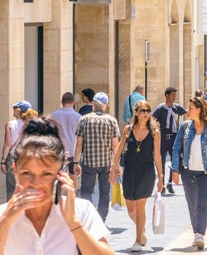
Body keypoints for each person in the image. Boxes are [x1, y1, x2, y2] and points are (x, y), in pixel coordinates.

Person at [0, 117, 113, 254]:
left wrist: (73, 223)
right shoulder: (3, 215)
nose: (36, 183)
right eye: (27, 173)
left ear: (60, 173)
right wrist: (5, 222)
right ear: (15, 170)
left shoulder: (81, 210)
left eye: (46, 174)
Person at [171, 96, 207, 250]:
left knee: (202, 204)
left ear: (199, 110)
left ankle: (200, 234)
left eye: (190, 108)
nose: (187, 110)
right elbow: (176, 150)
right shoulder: (184, 127)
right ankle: (196, 231)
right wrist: (174, 170)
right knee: (192, 205)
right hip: (188, 172)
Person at [111, 100, 163, 252]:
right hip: (130, 170)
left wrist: (160, 177)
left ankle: (137, 241)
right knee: (130, 208)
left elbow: (158, 156)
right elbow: (119, 150)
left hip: (146, 171)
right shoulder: (128, 129)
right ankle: (142, 229)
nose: (146, 114)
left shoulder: (155, 132)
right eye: (142, 110)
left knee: (140, 205)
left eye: (148, 110)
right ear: (136, 112)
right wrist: (113, 168)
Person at [73, 92, 120, 222]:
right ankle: (101, 219)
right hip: (106, 162)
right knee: (105, 192)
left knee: (86, 190)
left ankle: (88, 218)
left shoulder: (84, 120)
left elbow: (78, 144)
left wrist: (75, 162)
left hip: (88, 161)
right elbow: (115, 145)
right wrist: (117, 164)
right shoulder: (112, 120)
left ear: (93, 104)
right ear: (105, 106)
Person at [151, 86, 187, 194]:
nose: (174, 97)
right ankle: (161, 183)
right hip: (162, 138)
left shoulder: (177, 108)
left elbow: (187, 112)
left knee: (174, 160)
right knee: (161, 161)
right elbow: (152, 118)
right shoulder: (160, 108)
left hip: (174, 138)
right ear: (166, 95)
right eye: (172, 95)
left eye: (175, 95)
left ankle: (170, 183)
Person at [2, 100, 29, 198]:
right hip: (26, 157)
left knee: (11, 188)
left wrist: (3, 161)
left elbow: (8, 144)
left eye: (14, 108)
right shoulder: (30, 124)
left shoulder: (10, 124)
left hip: (13, 157)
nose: (13, 110)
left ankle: (11, 211)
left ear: (18, 111)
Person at [50, 93, 82, 174]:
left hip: (58, 151)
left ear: (62, 102)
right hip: (73, 151)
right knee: (73, 177)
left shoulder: (53, 115)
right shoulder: (79, 117)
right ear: (73, 102)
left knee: (57, 177)